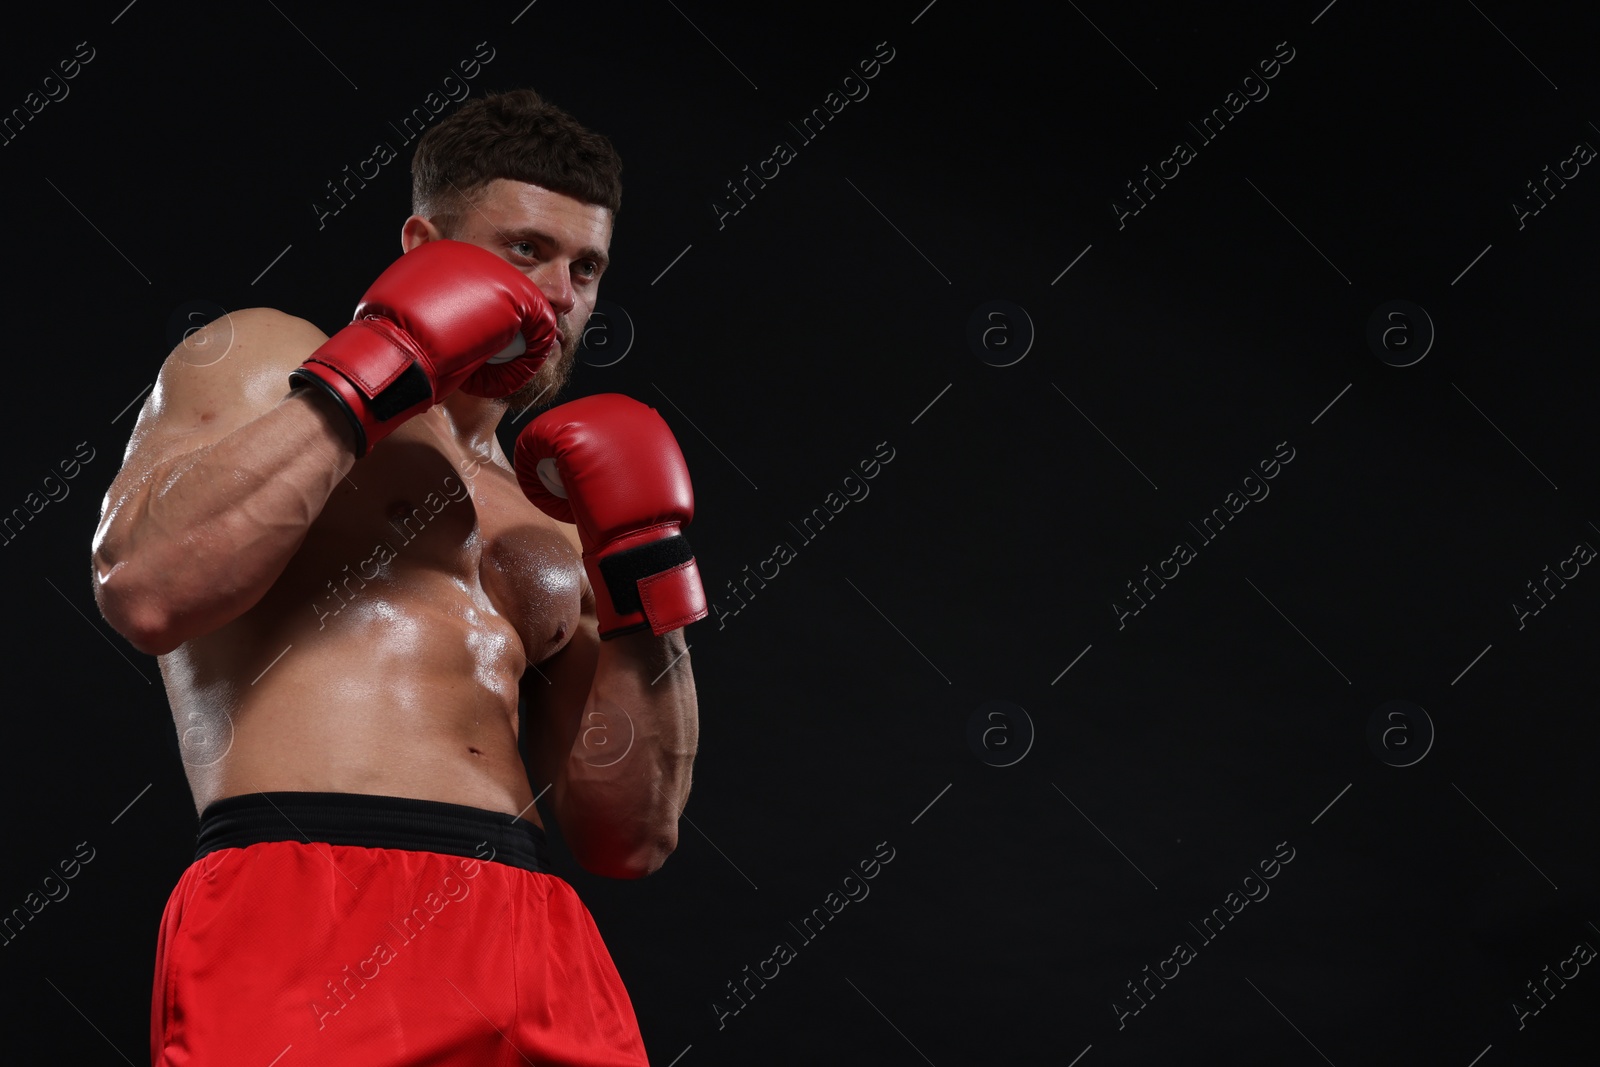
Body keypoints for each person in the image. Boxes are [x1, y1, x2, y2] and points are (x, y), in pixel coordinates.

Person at [90, 88, 706, 1065]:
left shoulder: (562, 507)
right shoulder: (267, 356)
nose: (558, 292)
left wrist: (648, 567)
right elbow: (147, 587)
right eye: (525, 250)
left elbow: (628, 832)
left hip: (532, 927)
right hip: (311, 892)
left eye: (585, 267)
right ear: (422, 245)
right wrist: (384, 361)